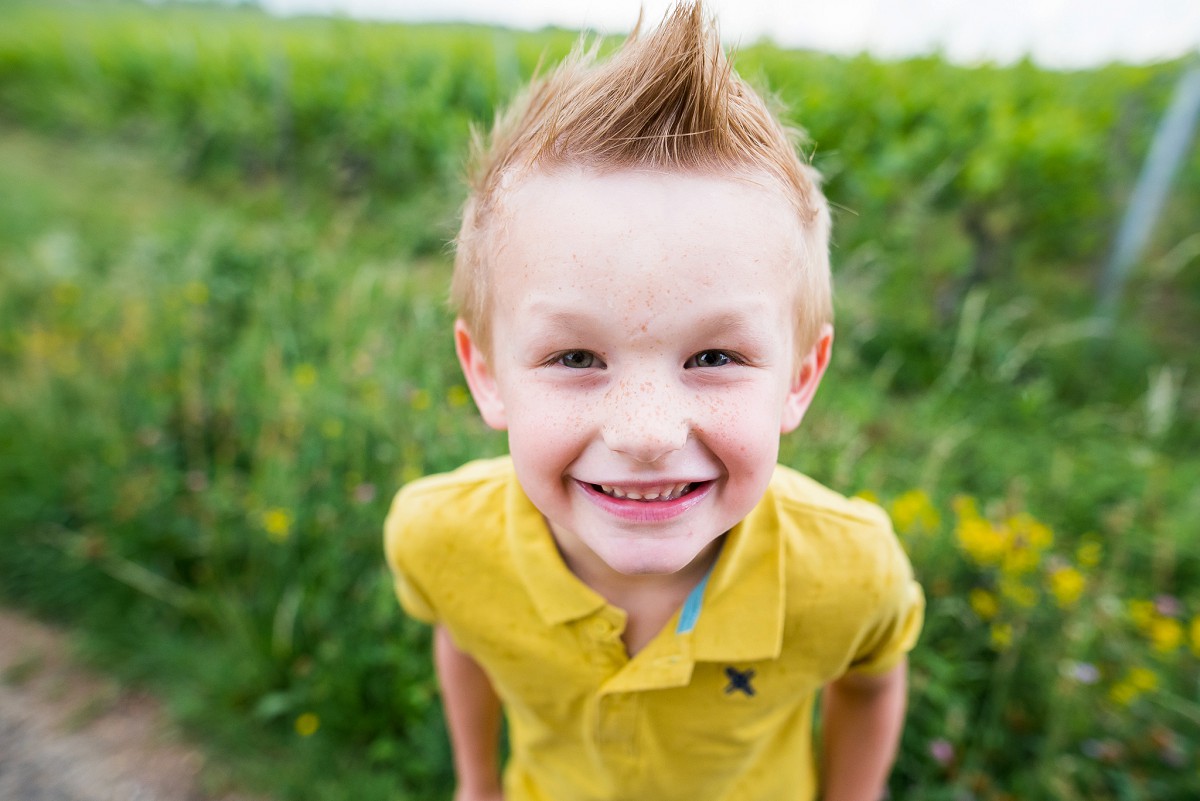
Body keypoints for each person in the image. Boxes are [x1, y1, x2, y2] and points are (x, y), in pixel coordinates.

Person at [384, 3, 924, 800]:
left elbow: (871, 683)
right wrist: (477, 782)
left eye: (714, 356)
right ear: (488, 372)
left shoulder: (849, 571)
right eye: (575, 356)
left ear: (801, 377)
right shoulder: (439, 538)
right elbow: (465, 636)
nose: (645, 433)